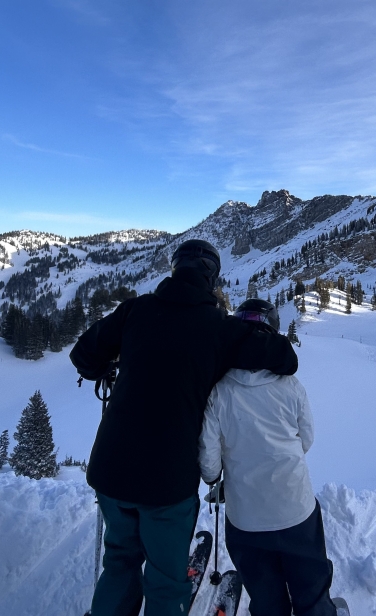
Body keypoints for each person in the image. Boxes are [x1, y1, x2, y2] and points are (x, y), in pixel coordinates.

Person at [71, 240, 299, 616]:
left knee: (119, 562)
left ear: (175, 269)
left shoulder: (135, 310)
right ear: (212, 278)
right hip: (167, 481)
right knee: (165, 575)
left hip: (111, 469)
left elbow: (83, 355)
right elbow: (284, 357)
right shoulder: (221, 329)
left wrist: (108, 368)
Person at [198, 298, 339, 616]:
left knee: (264, 595)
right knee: (310, 585)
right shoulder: (290, 385)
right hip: (295, 508)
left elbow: (209, 457)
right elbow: (306, 439)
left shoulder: (219, 391)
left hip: (245, 518)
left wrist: (215, 478)